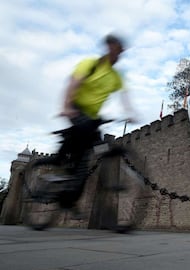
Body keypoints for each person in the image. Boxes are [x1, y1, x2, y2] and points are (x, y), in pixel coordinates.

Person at [50, 34, 137, 209]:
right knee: (80, 134)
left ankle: (70, 196)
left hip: (93, 117)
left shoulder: (116, 77)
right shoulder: (90, 64)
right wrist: (67, 106)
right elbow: (74, 83)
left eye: (120, 51)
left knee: (91, 152)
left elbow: (124, 95)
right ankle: (58, 164)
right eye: (115, 48)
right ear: (109, 47)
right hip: (76, 108)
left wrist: (130, 112)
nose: (117, 54)